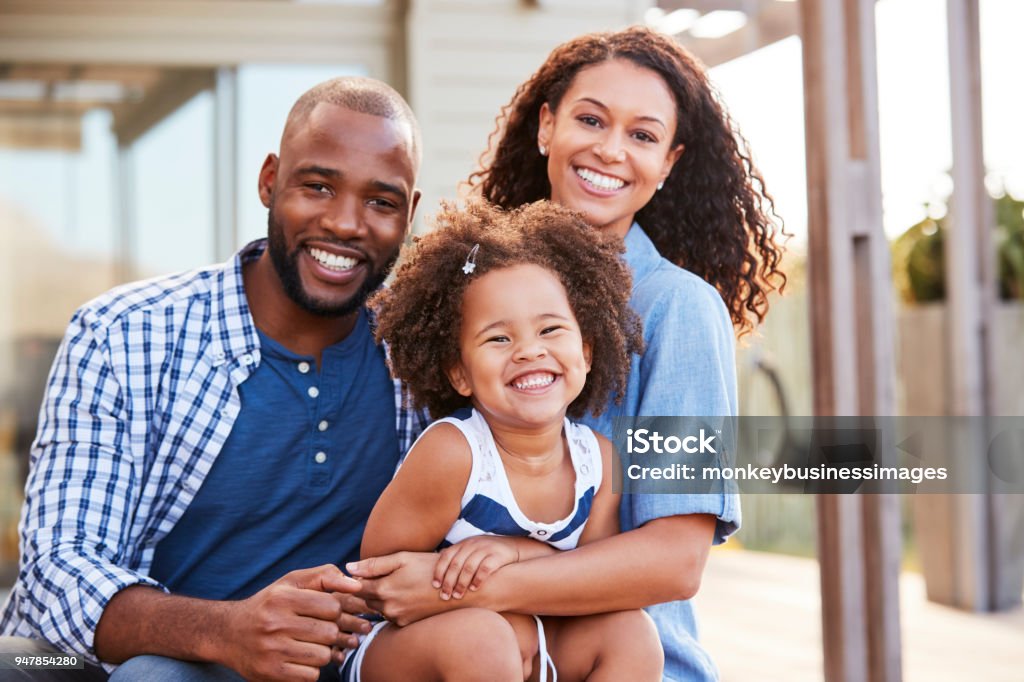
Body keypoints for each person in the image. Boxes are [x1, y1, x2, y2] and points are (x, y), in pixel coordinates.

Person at [347, 27, 786, 681]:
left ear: (668, 162)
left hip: (623, 658)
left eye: (643, 135)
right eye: (590, 119)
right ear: (547, 125)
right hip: (468, 652)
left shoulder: (679, 312)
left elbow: (675, 560)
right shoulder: (472, 285)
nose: (610, 150)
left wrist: (468, 581)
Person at [0, 76, 426, 682]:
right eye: (317, 186)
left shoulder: (424, 360)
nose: (345, 223)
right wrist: (227, 632)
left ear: (410, 214)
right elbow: (57, 569)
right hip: (133, 657)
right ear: (269, 180)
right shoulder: (123, 335)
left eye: (380, 202)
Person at [344, 199, 658, 681]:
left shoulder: (598, 461)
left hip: (535, 644)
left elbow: (594, 582)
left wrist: (516, 554)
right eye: (498, 339)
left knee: (631, 632)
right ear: (460, 374)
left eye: (550, 329)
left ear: (587, 351)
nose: (530, 350)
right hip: (414, 651)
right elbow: (381, 579)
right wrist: (486, 602)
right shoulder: (455, 453)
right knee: (484, 640)